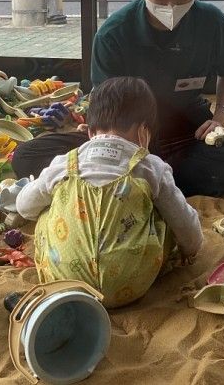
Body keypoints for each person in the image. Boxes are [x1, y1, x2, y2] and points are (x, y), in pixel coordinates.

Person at [15, 76, 203, 309]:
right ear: (145, 131)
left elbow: (24, 206)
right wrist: (188, 248)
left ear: (90, 130)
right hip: (131, 285)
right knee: (163, 214)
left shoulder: (65, 164)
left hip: (67, 284)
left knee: (46, 209)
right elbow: (188, 231)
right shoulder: (151, 167)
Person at [90, 0, 224, 197]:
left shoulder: (212, 23)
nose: (172, 6)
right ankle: (159, 179)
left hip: (187, 122)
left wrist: (221, 116)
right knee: (34, 156)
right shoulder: (113, 34)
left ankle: (151, 181)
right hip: (130, 129)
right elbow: (104, 104)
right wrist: (127, 144)